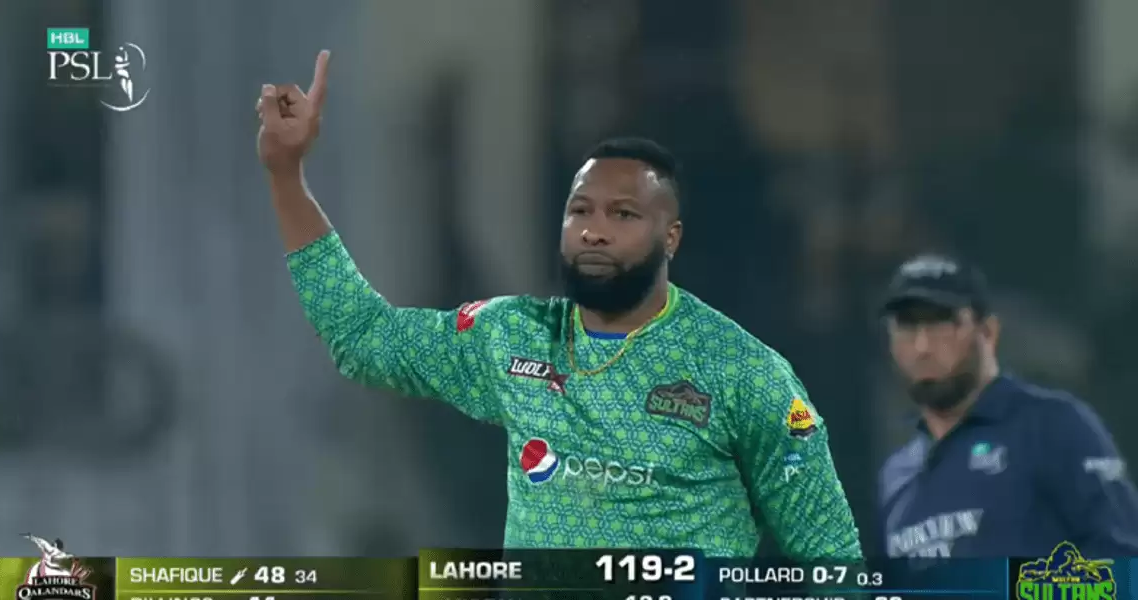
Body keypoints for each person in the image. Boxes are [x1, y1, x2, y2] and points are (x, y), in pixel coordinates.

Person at [255, 50, 861, 560]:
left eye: (623, 214)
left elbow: (831, 559)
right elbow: (364, 338)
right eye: (580, 211)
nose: (594, 231)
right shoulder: (511, 336)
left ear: (670, 237)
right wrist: (286, 175)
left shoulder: (743, 372)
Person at [877, 255, 1138, 559]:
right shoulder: (895, 477)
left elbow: (1125, 564)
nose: (922, 346)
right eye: (906, 326)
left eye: (943, 323)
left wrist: (1006, 583)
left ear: (988, 332)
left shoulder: (1053, 427)